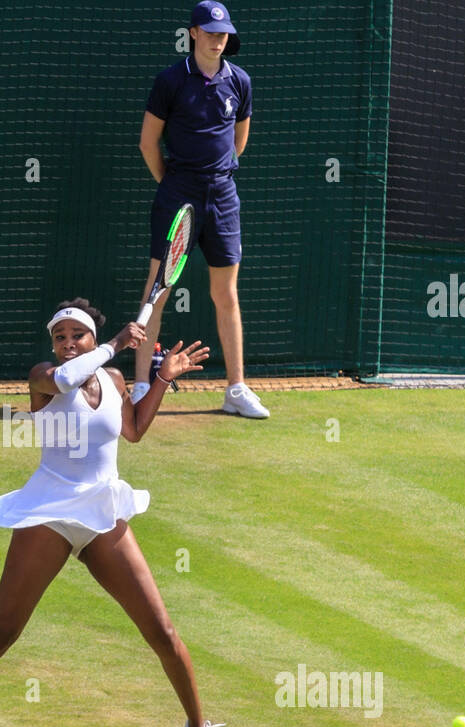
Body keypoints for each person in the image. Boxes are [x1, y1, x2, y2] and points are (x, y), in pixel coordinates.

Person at [0, 299, 228, 727]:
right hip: (50, 513)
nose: (67, 345)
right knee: (2, 631)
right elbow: (65, 379)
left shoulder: (112, 380)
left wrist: (164, 378)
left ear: (89, 337)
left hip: (103, 513)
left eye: (76, 336)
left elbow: (132, 431)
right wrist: (113, 346)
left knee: (162, 632)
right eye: (60, 337)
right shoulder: (45, 376)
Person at [135, 1, 268, 420]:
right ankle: (140, 386)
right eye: (210, 33)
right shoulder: (170, 81)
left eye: (223, 33)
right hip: (179, 193)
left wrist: (215, 179)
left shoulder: (240, 81)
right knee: (157, 292)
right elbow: (147, 143)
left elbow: (237, 143)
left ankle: (236, 389)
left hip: (224, 195)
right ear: (193, 33)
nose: (218, 40)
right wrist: (173, 187)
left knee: (226, 293)